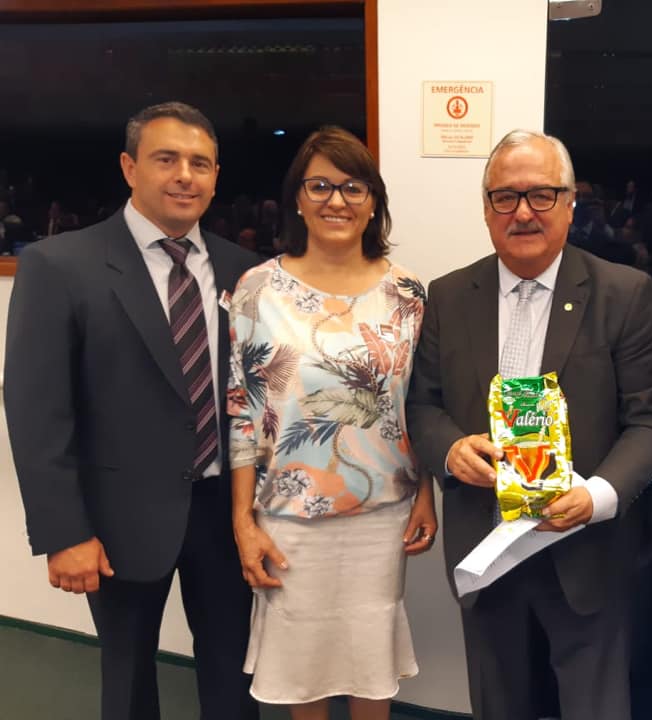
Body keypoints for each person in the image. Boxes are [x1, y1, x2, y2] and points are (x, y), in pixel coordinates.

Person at [406, 129, 652, 720]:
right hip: (486, 542)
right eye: (505, 197)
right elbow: (422, 405)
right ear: (486, 209)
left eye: (541, 194)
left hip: (584, 548)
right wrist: (450, 451)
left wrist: (597, 496)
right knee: (498, 703)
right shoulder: (449, 296)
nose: (523, 212)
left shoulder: (623, 293)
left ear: (571, 202)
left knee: (594, 707)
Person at [4, 101, 260, 720]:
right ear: (129, 167)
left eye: (200, 163)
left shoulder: (245, 270)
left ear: (216, 176)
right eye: (166, 159)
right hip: (118, 517)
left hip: (226, 511)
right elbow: (37, 411)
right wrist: (64, 533)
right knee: (128, 682)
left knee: (235, 674)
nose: (185, 176)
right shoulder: (60, 265)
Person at [228, 126, 436, 720]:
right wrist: (242, 520)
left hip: (382, 514)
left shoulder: (407, 293)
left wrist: (427, 495)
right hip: (288, 516)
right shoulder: (257, 290)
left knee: (370, 667)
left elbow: (420, 403)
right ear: (297, 198)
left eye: (353, 187)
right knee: (303, 673)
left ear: (373, 202)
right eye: (319, 186)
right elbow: (242, 412)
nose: (336, 200)